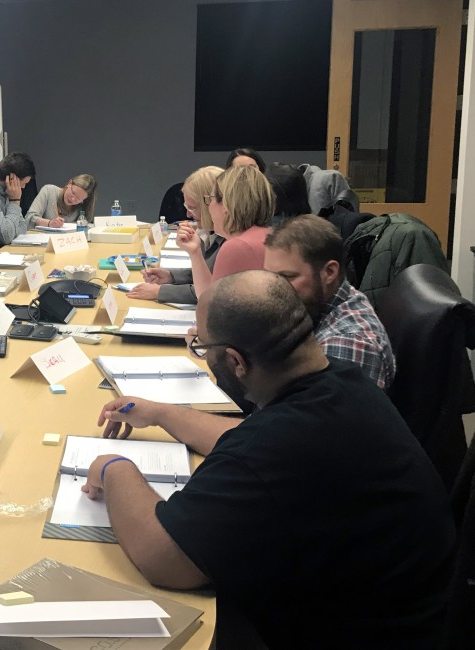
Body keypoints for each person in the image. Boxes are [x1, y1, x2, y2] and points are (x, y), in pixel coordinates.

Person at [82, 271, 453, 649]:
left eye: (203, 348)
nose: (205, 356)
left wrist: (112, 467)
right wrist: (161, 413)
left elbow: (161, 557)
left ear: (235, 361)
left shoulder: (276, 446)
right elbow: (249, 440)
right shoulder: (341, 383)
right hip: (410, 615)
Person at [264, 214, 395, 389]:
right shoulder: (319, 307)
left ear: (329, 272)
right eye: (270, 277)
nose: (275, 289)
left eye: (287, 277)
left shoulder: (347, 343)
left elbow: (320, 415)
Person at [127, 166, 224, 304]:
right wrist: (170, 276)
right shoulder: (208, 232)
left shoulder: (231, 242)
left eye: (193, 208)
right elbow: (206, 274)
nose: (188, 215)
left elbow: (211, 292)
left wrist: (160, 292)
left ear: (211, 204)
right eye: (187, 207)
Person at [177, 164, 272, 298]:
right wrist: (195, 252)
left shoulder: (238, 246)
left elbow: (210, 304)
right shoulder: (265, 234)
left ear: (226, 205)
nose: (209, 206)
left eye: (212, 199)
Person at [24, 174, 98, 228]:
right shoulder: (49, 191)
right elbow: (29, 218)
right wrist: (49, 223)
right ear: (69, 183)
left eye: (79, 199)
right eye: (73, 193)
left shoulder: (82, 207)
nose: (73, 199)